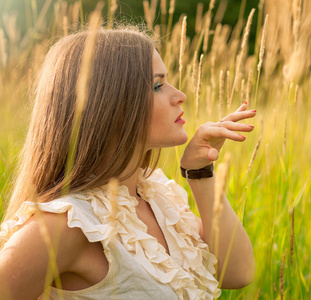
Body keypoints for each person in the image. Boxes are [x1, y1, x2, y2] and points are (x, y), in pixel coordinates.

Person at [0, 28, 256, 299]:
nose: (179, 95)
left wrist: (200, 170)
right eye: (157, 85)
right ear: (109, 103)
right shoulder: (69, 222)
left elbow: (237, 272)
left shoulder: (156, 198)